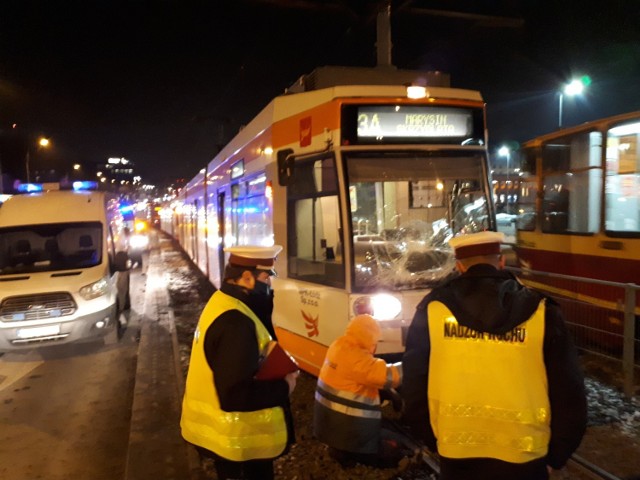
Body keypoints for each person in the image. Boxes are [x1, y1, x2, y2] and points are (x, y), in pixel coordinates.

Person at [401, 231, 587, 480]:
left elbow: (413, 384)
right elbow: (570, 391)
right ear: (500, 262)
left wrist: (432, 439)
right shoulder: (541, 311)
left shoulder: (433, 309)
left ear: (459, 266)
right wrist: (557, 455)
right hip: (526, 458)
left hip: (457, 453)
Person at [180, 245, 298, 480]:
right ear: (246, 278)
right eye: (267, 277)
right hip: (238, 443)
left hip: (224, 440)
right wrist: (285, 386)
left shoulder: (222, 302)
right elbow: (235, 395)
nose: (270, 284)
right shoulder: (236, 324)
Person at [313, 313, 405, 469]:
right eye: (375, 340)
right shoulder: (356, 357)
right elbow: (389, 377)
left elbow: (364, 378)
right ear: (368, 338)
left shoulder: (338, 345)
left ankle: (340, 450)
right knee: (396, 448)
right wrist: (414, 362)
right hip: (350, 431)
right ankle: (353, 453)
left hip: (329, 425)